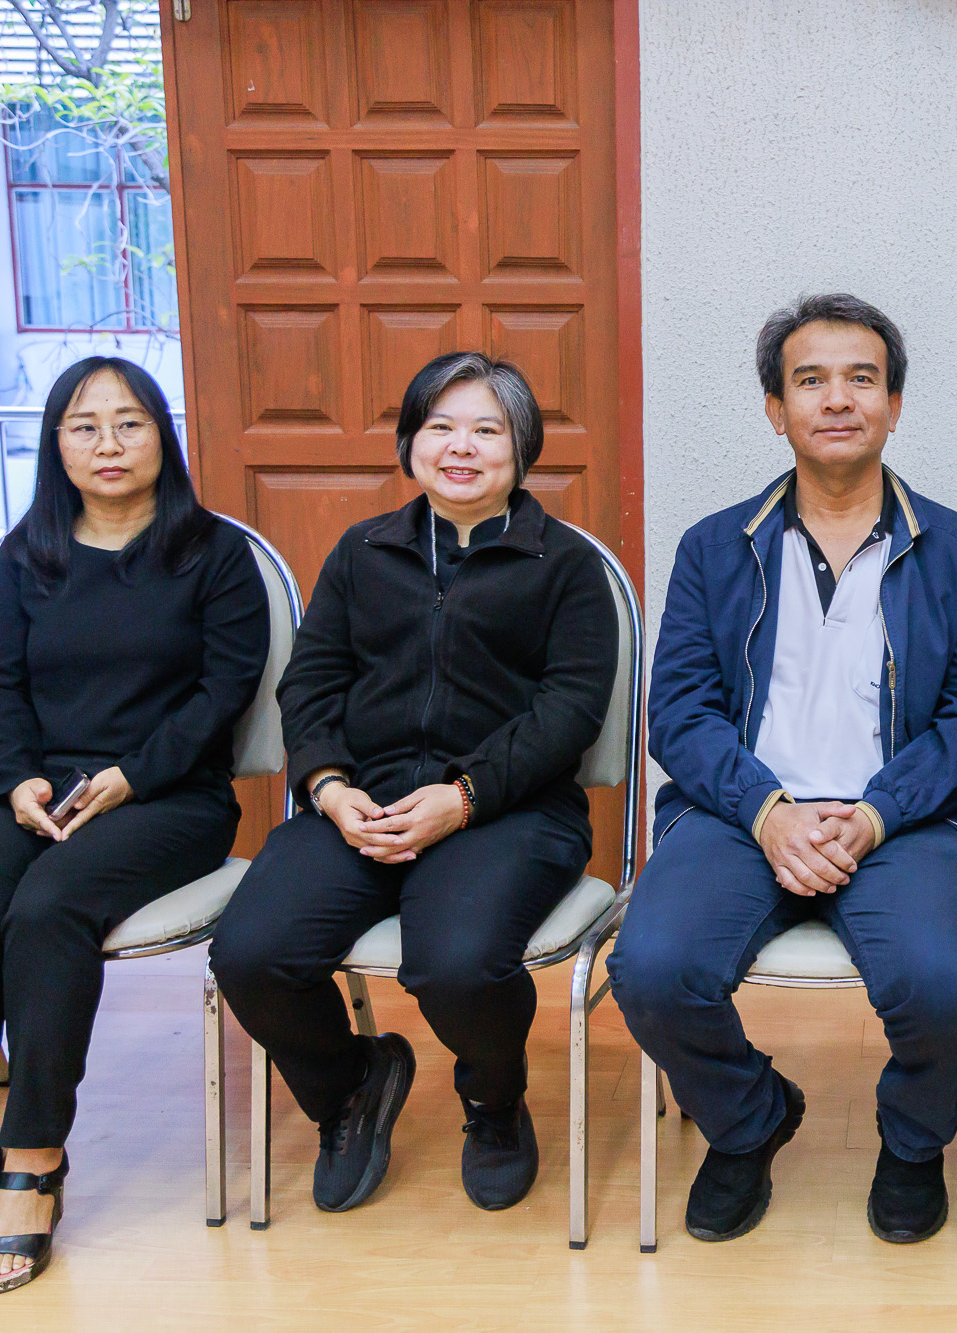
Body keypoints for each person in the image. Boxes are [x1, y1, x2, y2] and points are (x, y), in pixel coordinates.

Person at [607, 294, 957, 1246]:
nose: (838, 399)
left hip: (907, 817)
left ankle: (912, 1141)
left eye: (861, 378)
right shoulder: (715, 547)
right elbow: (680, 711)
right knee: (653, 968)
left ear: (894, 405)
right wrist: (766, 809)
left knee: (948, 987)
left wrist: (876, 813)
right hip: (744, 813)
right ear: (775, 408)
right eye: (810, 380)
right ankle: (749, 1119)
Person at [210, 352, 617, 1215]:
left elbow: (568, 713)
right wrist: (328, 787)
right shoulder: (362, 553)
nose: (460, 446)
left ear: (522, 448)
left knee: (457, 962)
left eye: (486, 429)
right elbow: (310, 684)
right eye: (440, 426)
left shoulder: (566, 565)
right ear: (410, 443)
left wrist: (462, 797)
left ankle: (493, 1100)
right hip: (362, 802)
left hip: (511, 810)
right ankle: (350, 1087)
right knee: (250, 952)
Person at [0, 357, 270, 1293]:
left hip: (170, 794)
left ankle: (34, 1159)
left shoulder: (214, 555)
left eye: (128, 422)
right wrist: (18, 780)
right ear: (57, 444)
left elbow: (223, 692)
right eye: (84, 425)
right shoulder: (27, 553)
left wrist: (132, 774)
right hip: (40, 787)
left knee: (48, 908)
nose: (108, 443)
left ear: (162, 435)